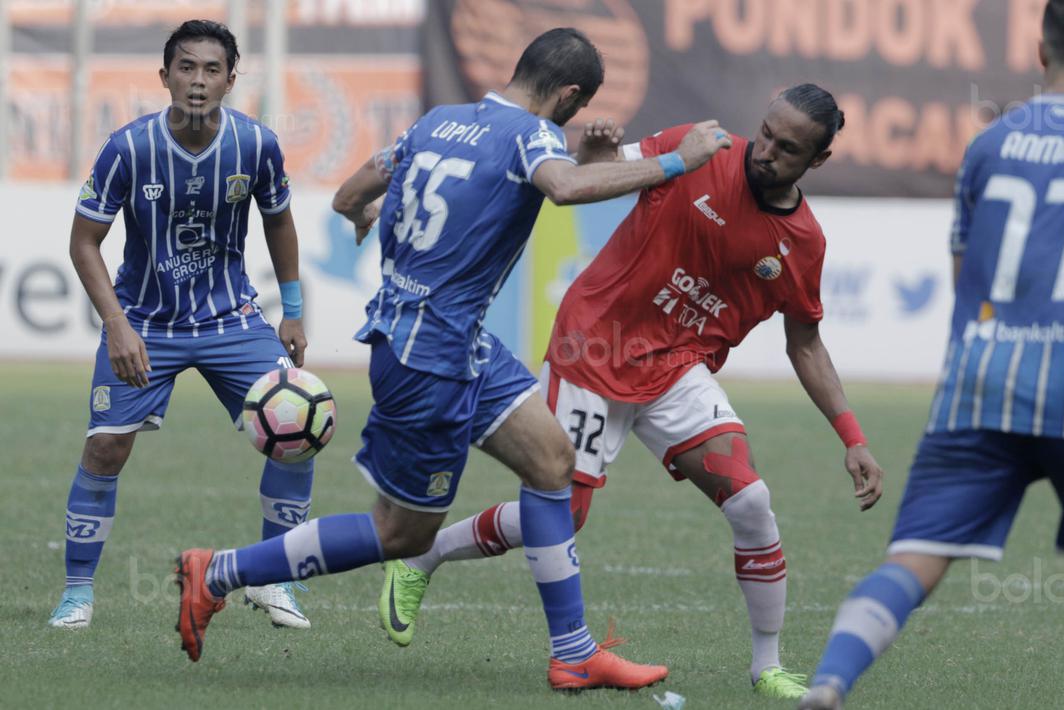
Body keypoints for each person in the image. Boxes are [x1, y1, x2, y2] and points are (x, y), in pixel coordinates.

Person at [173, 28, 732, 690]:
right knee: (401, 534)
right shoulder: (533, 136)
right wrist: (679, 160)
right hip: (428, 358)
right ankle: (218, 572)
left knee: (554, 462)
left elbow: (350, 196)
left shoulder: (437, 123)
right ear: (569, 95)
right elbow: (564, 188)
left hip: (454, 340)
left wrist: (378, 216)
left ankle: (574, 653)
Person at [378, 83, 887, 701]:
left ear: (818, 160)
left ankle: (767, 667)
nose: (766, 153)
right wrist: (597, 152)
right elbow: (595, 176)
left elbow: (804, 344)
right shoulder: (696, 150)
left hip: (676, 368)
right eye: (767, 134)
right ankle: (422, 557)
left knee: (751, 502)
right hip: (596, 344)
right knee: (562, 515)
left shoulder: (803, 243)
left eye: (788, 149)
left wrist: (852, 437)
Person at [799, 1, 1064, 708]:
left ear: (1039, 51)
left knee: (914, 558)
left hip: (979, 381)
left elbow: (961, 267)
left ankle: (829, 681)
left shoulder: (988, 144)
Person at [51, 20, 315, 631]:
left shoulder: (256, 145)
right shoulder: (127, 147)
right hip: (146, 321)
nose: (198, 81)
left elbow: (279, 221)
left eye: (211, 69)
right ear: (165, 75)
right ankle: (76, 592)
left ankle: (275, 580)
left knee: (297, 428)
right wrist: (116, 323)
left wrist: (293, 307)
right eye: (187, 68)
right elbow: (84, 242)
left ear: (230, 78)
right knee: (106, 447)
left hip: (232, 318)